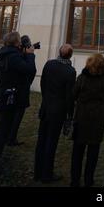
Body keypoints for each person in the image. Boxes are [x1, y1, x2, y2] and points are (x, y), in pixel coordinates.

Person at [0, 32, 36, 177]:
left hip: (3, 96)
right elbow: (30, 70)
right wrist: (30, 55)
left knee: (1, 128)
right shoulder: (13, 57)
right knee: (3, 132)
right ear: (16, 43)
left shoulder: (5, 53)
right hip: (9, 98)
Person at [70, 53, 104, 188]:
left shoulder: (82, 78)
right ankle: (89, 180)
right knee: (93, 152)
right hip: (98, 118)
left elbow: (74, 94)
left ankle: (75, 180)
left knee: (77, 151)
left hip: (82, 117)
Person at [34, 44, 76, 184]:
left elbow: (42, 84)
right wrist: (70, 115)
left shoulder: (49, 64)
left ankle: (37, 171)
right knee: (51, 142)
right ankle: (46, 174)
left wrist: (46, 99)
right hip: (58, 112)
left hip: (46, 107)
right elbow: (69, 96)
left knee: (41, 140)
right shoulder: (70, 71)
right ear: (70, 55)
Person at [7, 35, 37, 146]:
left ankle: (8, 136)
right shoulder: (20, 57)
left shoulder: (15, 55)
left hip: (14, 90)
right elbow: (31, 70)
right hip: (20, 91)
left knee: (11, 115)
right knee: (17, 116)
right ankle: (11, 138)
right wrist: (31, 55)